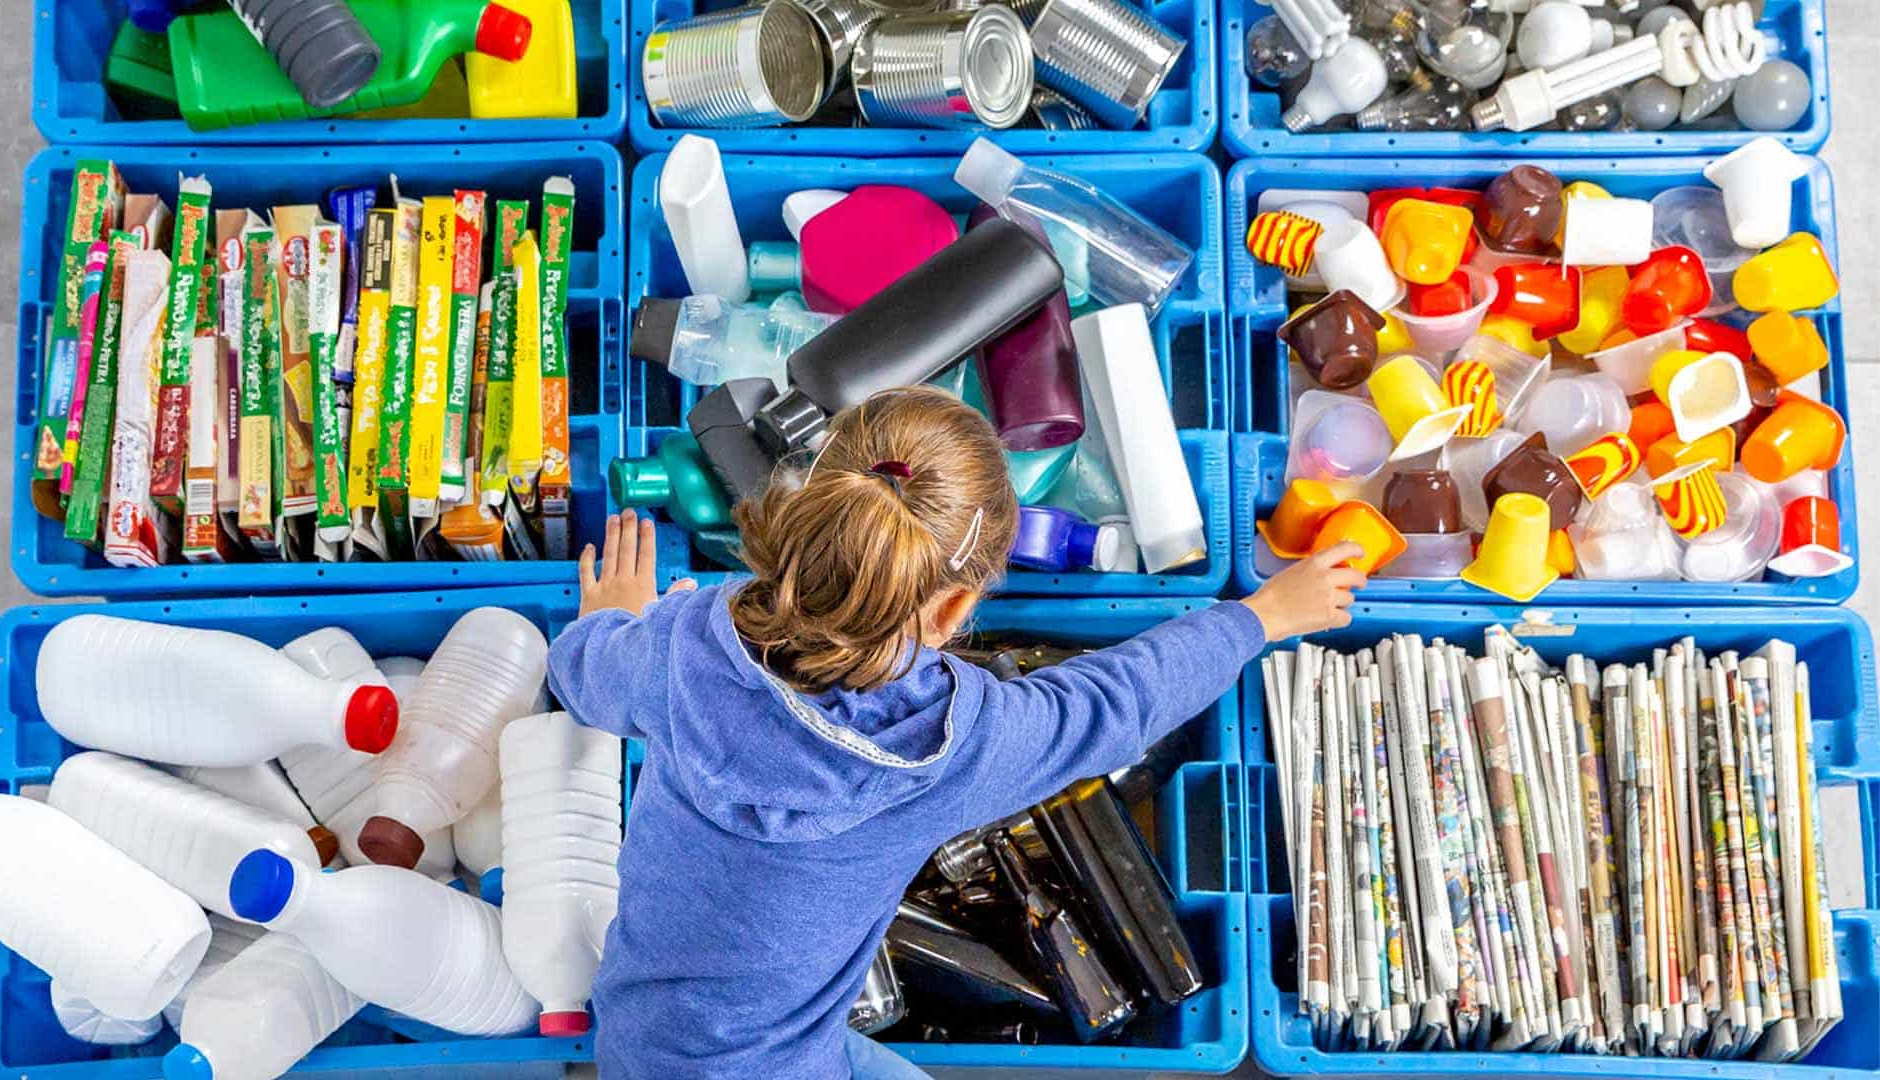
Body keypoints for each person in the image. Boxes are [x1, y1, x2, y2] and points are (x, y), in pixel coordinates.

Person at [546, 387, 1364, 1079]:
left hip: (645, 1037)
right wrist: (1261, 616)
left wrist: (609, 623)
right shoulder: (948, 744)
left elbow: (581, 678)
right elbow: (1118, 704)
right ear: (950, 612)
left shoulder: (679, 642)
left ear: (809, 512)